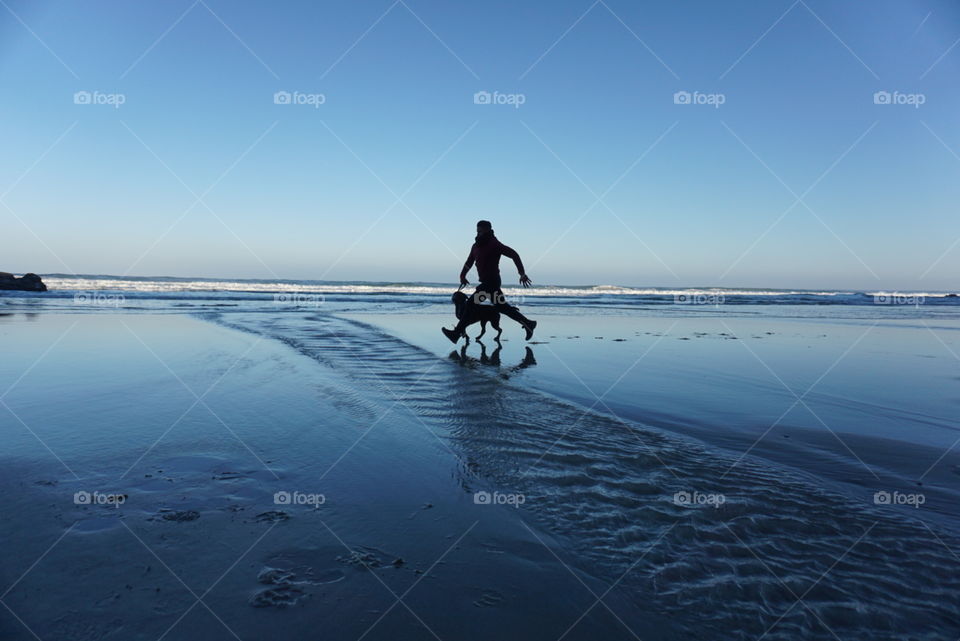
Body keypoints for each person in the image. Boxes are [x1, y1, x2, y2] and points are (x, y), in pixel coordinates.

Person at [442, 220, 537, 343]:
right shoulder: (475, 246)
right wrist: (462, 275)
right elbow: (469, 261)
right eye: (477, 231)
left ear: (488, 230)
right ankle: (529, 323)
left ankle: (456, 333)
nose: (478, 233)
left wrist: (522, 273)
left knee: (470, 304)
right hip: (488, 283)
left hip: (491, 282)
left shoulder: (494, 244)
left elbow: (514, 254)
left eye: (481, 231)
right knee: (504, 308)